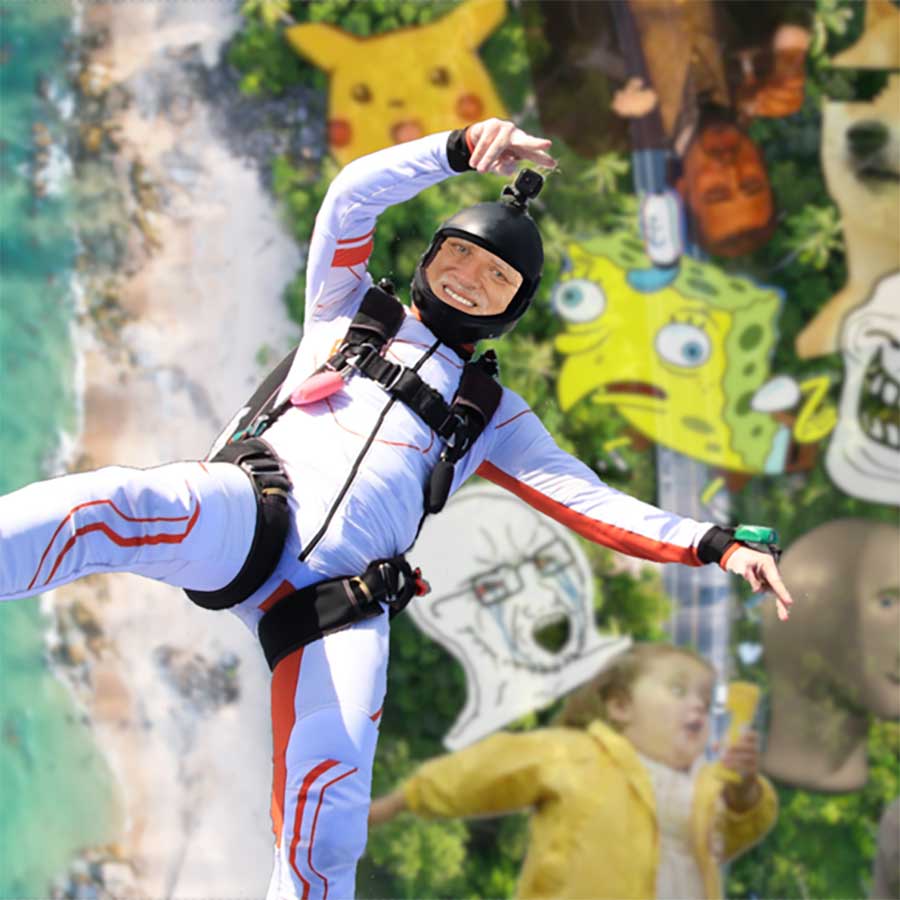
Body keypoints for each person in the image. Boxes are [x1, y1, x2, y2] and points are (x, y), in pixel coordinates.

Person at [0, 118, 792, 900]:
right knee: (110, 506)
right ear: (430, 255)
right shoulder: (344, 308)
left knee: (330, 819)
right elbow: (350, 198)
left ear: (513, 307)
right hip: (252, 514)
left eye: (495, 278)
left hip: (338, 605)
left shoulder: (493, 416)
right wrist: (454, 150)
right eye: (460, 255)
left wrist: (715, 543)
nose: (470, 278)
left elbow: (587, 500)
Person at [370, 642, 778, 900]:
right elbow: (487, 770)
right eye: (677, 689)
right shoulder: (576, 753)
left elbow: (735, 829)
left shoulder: (707, 788)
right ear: (620, 706)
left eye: (705, 700)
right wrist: (400, 800)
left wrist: (743, 790)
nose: (698, 706)